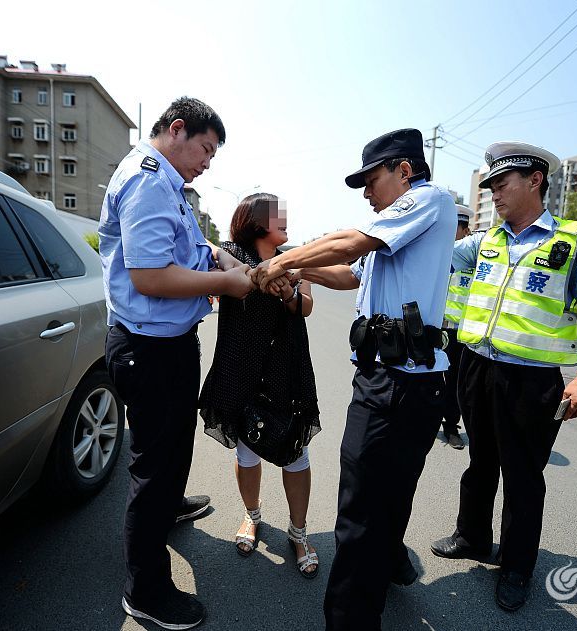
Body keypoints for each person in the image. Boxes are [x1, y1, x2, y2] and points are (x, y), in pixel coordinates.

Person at [251, 128, 457, 631]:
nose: (367, 192)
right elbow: (352, 271)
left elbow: (351, 241)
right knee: (390, 492)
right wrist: (303, 273)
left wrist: (280, 261)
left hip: (399, 383)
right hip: (400, 381)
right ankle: (388, 564)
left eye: (372, 179)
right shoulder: (398, 225)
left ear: (404, 170)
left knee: (359, 511)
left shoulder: (428, 200)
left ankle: (350, 620)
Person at [430, 142, 577, 612]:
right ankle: (472, 537)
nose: (494, 194)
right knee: (480, 462)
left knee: (524, 476)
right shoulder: (486, 241)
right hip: (477, 368)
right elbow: (437, 258)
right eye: (489, 186)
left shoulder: (573, 239)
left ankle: (515, 567)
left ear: (535, 180)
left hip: (532, 381)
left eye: (502, 184)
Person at [99, 97, 254, 630]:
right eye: (206, 149)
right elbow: (150, 276)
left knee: (171, 449)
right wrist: (226, 283)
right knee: (153, 467)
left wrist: (217, 255)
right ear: (178, 129)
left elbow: (186, 244)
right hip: (149, 349)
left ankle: (168, 506)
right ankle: (145, 591)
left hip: (168, 343)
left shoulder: (168, 184)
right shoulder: (147, 180)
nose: (208, 162)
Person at [198, 192, 322, 579]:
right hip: (240, 366)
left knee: (294, 451)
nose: (285, 219)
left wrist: (287, 289)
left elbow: (305, 307)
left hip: (286, 367)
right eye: (276, 214)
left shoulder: (294, 257)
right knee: (247, 452)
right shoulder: (229, 252)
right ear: (254, 220)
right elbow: (208, 257)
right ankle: (252, 516)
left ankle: (298, 533)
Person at [439, 204, 476, 450]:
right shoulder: (439, 256)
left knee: (456, 384)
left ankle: (451, 426)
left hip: (465, 333)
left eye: (455, 228)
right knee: (429, 378)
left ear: (464, 230)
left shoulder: (477, 258)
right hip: (439, 329)